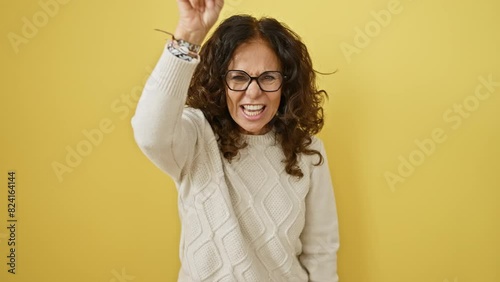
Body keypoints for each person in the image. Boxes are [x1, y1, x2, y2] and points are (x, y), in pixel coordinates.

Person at [131, 0, 340, 281]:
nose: (253, 93)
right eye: (238, 77)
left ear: (286, 83)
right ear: (220, 82)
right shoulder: (195, 136)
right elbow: (149, 133)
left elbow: (320, 252)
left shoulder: (309, 151)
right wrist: (188, 37)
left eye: (268, 77)